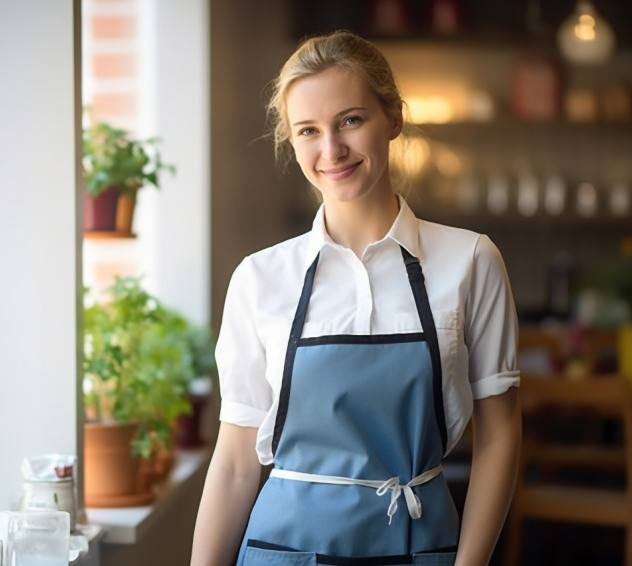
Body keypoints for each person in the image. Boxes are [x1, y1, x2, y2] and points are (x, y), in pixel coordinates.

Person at [191, 31, 521, 566]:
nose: (332, 150)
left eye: (350, 120)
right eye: (308, 131)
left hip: (420, 546)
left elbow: (501, 435)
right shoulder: (260, 278)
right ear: (291, 141)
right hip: (282, 551)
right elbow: (233, 464)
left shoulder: (472, 261)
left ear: (392, 118)